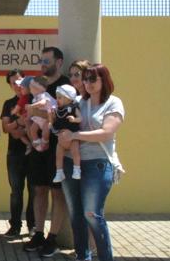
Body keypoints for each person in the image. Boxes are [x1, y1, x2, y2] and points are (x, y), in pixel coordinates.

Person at [58, 64, 125, 261]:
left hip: (98, 164)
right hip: (71, 163)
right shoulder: (79, 101)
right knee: (76, 215)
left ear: (104, 80)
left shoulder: (113, 103)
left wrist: (74, 135)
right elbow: (60, 118)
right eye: (85, 79)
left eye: (92, 79)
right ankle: (82, 256)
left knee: (92, 214)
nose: (87, 83)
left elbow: (106, 133)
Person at [24, 47, 70, 257]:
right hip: (37, 149)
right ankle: (39, 234)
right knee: (39, 190)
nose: (42, 64)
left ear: (58, 62)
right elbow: (29, 111)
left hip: (58, 149)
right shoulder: (36, 85)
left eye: (47, 60)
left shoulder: (66, 86)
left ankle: (53, 238)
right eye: (41, 60)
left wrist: (36, 111)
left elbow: (61, 114)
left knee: (57, 192)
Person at [0, 69, 35, 238]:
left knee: (35, 191)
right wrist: (19, 123)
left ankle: (33, 226)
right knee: (16, 192)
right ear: (9, 85)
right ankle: (15, 226)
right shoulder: (8, 104)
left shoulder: (35, 100)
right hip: (14, 154)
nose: (17, 85)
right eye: (13, 82)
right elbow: (6, 129)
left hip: (34, 153)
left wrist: (16, 126)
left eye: (19, 81)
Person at [52, 84, 82, 183]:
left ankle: (77, 169)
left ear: (69, 98)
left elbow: (81, 118)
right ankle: (59, 172)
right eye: (57, 97)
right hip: (61, 138)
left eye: (60, 97)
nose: (57, 100)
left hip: (73, 137)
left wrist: (74, 119)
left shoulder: (73, 108)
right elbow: (54, 121)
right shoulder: (57, 110)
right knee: (58, 155)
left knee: (75, 153)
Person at [26, 76, 57, 152]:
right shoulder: (35, 97)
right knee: (33, 129)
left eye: (31, 87)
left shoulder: (44, 94)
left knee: (45, 132)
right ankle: (36, 141)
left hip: (48, 117)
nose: (30, 89)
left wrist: (32, 106)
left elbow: (42, 103)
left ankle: (45, 142)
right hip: (40, 118)